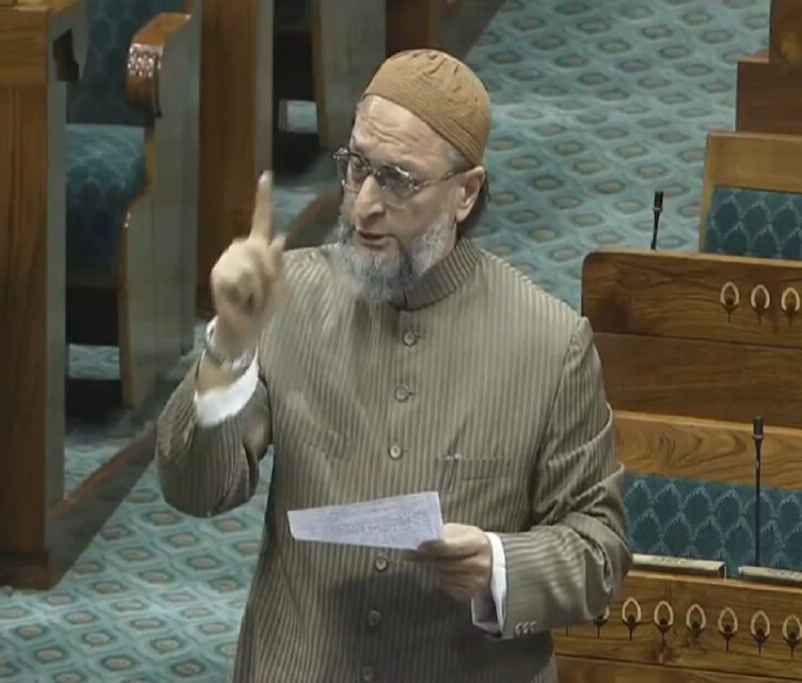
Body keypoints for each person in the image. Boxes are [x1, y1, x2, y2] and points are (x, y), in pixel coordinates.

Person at [155, 48, 630, 683]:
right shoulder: (285, 298)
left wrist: (498, 564)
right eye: (357, 168)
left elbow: (600, 548)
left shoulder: (551, 342)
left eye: (400, 180)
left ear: (465, 193)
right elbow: (195, 490)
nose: (363, 206)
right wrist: (230, 347)